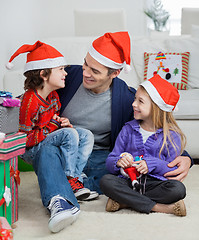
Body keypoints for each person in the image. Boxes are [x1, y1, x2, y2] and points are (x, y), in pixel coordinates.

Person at [57, 31, 193, 194]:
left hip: (99, 156)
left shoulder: (127, 99)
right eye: (85, 64)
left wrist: (186, 158)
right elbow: (37, 94)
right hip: (65, 151)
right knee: (50, 161)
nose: (85, 73)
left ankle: (74, 183)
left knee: (120, 176)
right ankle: (72, 185)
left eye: (94, 71)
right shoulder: (68, 76)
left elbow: (159, 127)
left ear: (114, 73)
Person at [6, 41, 94, 233]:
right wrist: (55, 127)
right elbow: (24, 140)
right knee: (69, 134)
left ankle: (75, 178)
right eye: (61, 69)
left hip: (46, 139)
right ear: (44, 74)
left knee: (85, 135)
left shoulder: (54, 96)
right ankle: (70, 179)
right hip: (31, 149)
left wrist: (61, 122)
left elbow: (50, 122)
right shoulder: (29, 102)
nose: (66, 74)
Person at [100, 74, 187, 216]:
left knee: (178, 189)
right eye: (135, 99)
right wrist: (118, 162)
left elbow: (171, 169)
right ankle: (159, 207)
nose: (133, 104)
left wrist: (152, 164)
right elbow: (110, 161)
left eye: (140, 101)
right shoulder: (128, 129)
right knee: (106, 181)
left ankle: (125, 201)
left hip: (155, 184)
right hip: (128, 181)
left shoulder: (172, 136)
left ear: (156, 107)